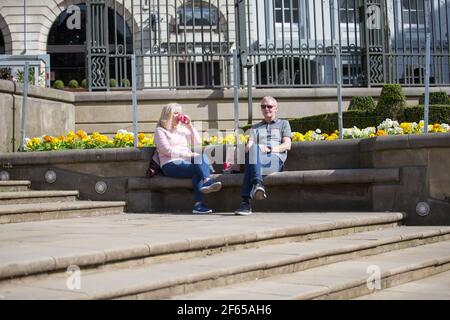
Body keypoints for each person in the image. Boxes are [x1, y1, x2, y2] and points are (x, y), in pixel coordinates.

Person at [154, 103, 222, 214]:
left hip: (186, 162)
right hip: (170, 164)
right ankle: (206, 183)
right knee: (200, 168)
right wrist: (188, 155)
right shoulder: (160, 131)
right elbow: (166, 150)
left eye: (180, 113)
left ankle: (200, 200)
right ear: (168, 115)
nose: (179, 116)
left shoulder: (181, 129)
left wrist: (190, 125)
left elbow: (197, 142)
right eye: (176, 113)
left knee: (200, 163)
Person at [234, 96, 292, 216]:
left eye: (269, 106)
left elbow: (287, 145)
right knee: (252, 152)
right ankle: (258, 185)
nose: (266, 109)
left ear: (276, 108)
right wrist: (257, 147)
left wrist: (270, 149)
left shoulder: (284, 124)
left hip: (275, 159)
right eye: (263, 106)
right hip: (257, 159)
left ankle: (245, 202)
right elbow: (248, 147)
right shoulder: (255, 128)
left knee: (250, 162)